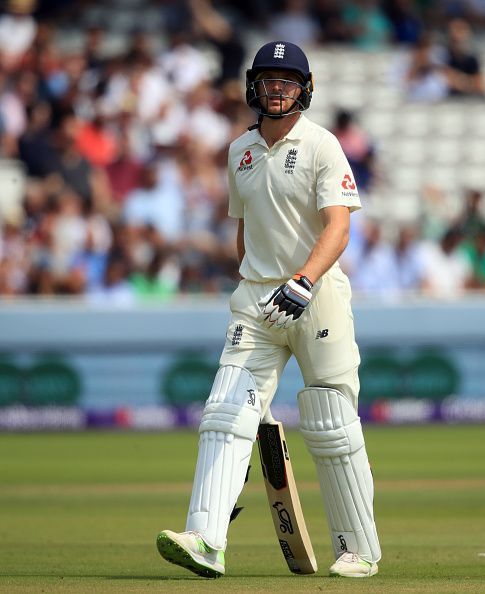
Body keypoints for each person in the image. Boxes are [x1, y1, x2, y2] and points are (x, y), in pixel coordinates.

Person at [156, 41, 381, 579]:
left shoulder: (323, 145)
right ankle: (206, 540)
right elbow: (244, 234)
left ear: (304, 88)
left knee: (329, 419)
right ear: (252, 86)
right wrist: (256, 282)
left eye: (287, 80)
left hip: (316, 293)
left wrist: (303, 280)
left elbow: (339, 226)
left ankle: (358, 550)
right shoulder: (240, 151)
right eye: (268, 80)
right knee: (225, 412)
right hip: (256, 299)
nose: (276, 89)